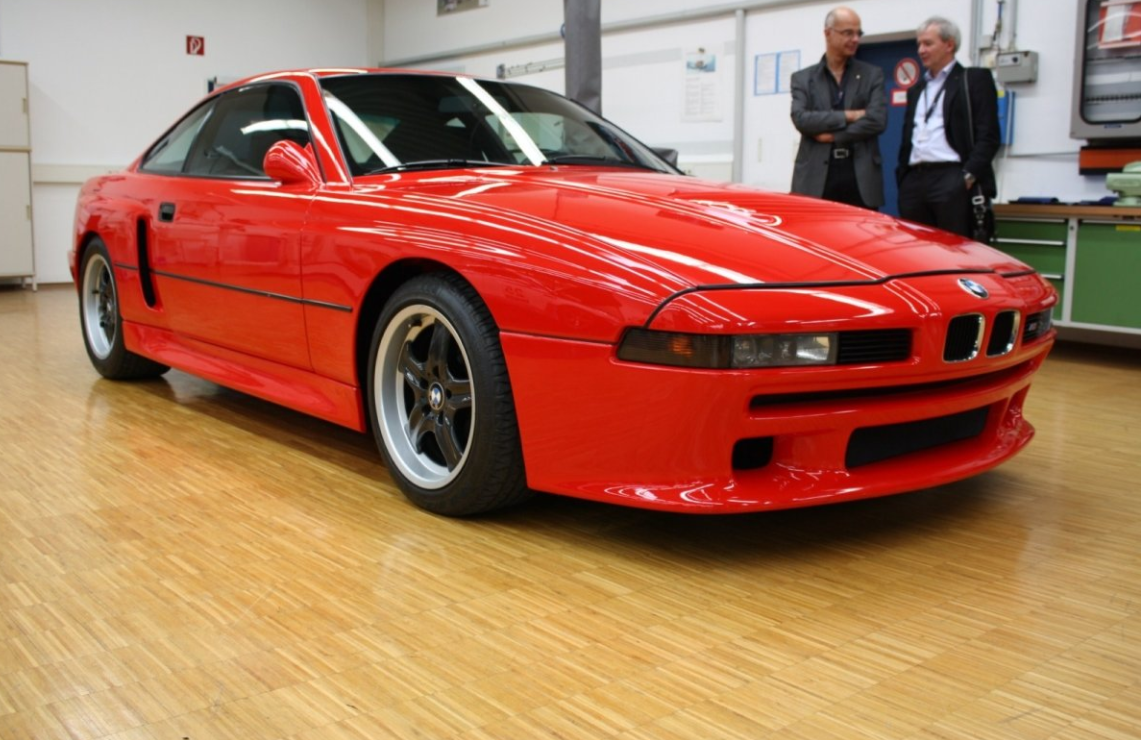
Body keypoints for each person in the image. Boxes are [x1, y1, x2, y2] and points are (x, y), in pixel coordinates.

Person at [897, 16, 1000, 238]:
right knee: (915, 249)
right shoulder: (916, 90)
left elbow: (989, 136)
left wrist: (967, 177)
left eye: (928, 43)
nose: (921, 50)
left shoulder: (973, 80)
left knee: (955, 249)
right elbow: (907, 136)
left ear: (949, 44)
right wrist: (903, 178)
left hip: (952, 177)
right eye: (919, 44)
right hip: (915, 180)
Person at [790, 7, 887, 210]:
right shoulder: (803, 79)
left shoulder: (872, 75)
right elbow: (802, 119)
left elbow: (877, 120)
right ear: (828, 33)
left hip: (859, 178)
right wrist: (849, 116)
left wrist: (835, 136)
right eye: (848, 33)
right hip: (816, 178)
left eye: (858, 33)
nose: (855, 39)